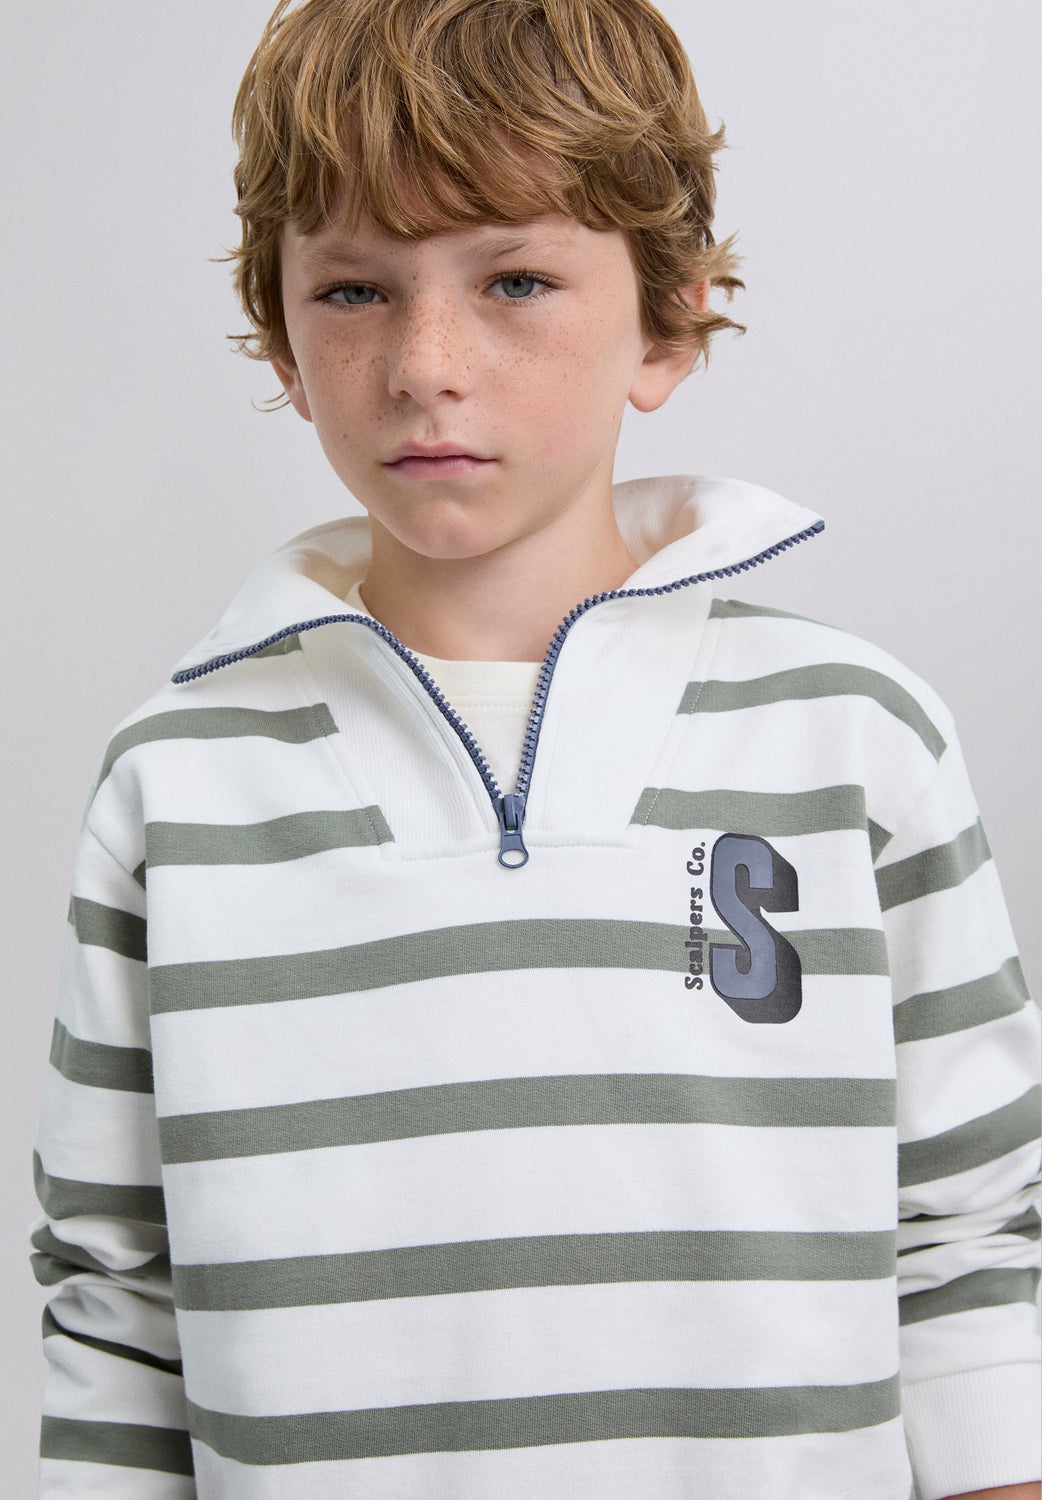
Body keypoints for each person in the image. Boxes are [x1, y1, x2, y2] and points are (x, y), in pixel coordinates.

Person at [29, 0, 1040, 1495]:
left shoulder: (850, 735)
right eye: (354, 290)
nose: (426, 364)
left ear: (669, 320)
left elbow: (968, 1246)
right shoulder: (173, 785)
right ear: (283, 336)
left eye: (514, 279)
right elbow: (118, 1304)